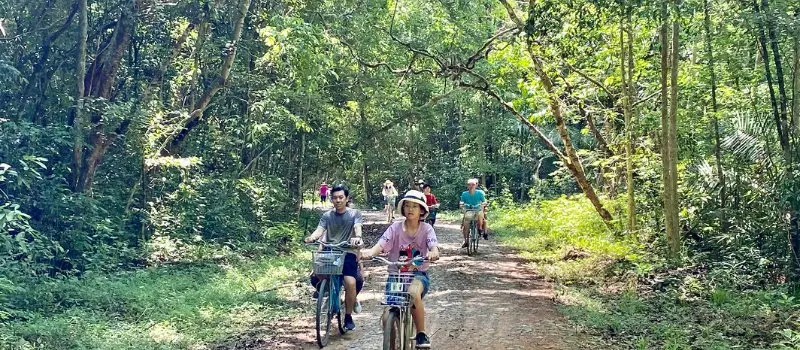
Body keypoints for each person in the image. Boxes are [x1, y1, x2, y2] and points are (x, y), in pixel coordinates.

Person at [361, 190, 440, 348]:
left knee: (413, 292)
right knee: (386, 317)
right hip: (396, 275)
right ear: (403, 208)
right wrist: (370, 252)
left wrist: (433, 252)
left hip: (418, 274)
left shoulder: (427, 229)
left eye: (415, 206)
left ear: (422, 210)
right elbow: (381, 244)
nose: (410, 209)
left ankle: (421, 334)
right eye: (407, 205)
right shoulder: (395, 228)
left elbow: (433, 246)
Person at [304, 185, 364, 330]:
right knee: (317, 272)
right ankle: (329, 293)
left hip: (347, 252)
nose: (338, 200)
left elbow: (357, 227)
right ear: (331, 199)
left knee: (350, 282)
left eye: (341, 197)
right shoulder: (327, 216)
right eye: (335, 198)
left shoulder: (354, 214)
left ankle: (348, 316)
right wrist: (312, 237)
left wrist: (357, 238)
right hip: (329, 251)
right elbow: (319, 230)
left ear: (346, 198)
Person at [459, 178, 487, 248]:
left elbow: (484, 201)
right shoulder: (464, 194)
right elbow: (462, 202)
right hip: (468, 211)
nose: (471, 186)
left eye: (473, 184)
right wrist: (461, 204)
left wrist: (483, 204)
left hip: (477, 210)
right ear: (467, 186)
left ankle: (480, 228)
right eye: (469, 184)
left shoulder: (479, 193)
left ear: (476, 185)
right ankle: (466, 241)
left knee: (480, 213)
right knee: (465, 225)